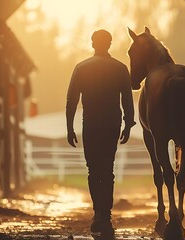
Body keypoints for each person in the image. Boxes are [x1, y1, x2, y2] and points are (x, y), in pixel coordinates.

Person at [66, 29, 135, 238]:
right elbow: (127, 99)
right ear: (110, 44)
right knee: (108, 169)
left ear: (92, 43)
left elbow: (72, 100)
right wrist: (128, 123)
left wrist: (69, 127)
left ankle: (98, 214)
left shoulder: (82, 68)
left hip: (91, 125)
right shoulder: (120, 68)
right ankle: (106, 216)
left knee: (93, 170)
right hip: (111, 124)